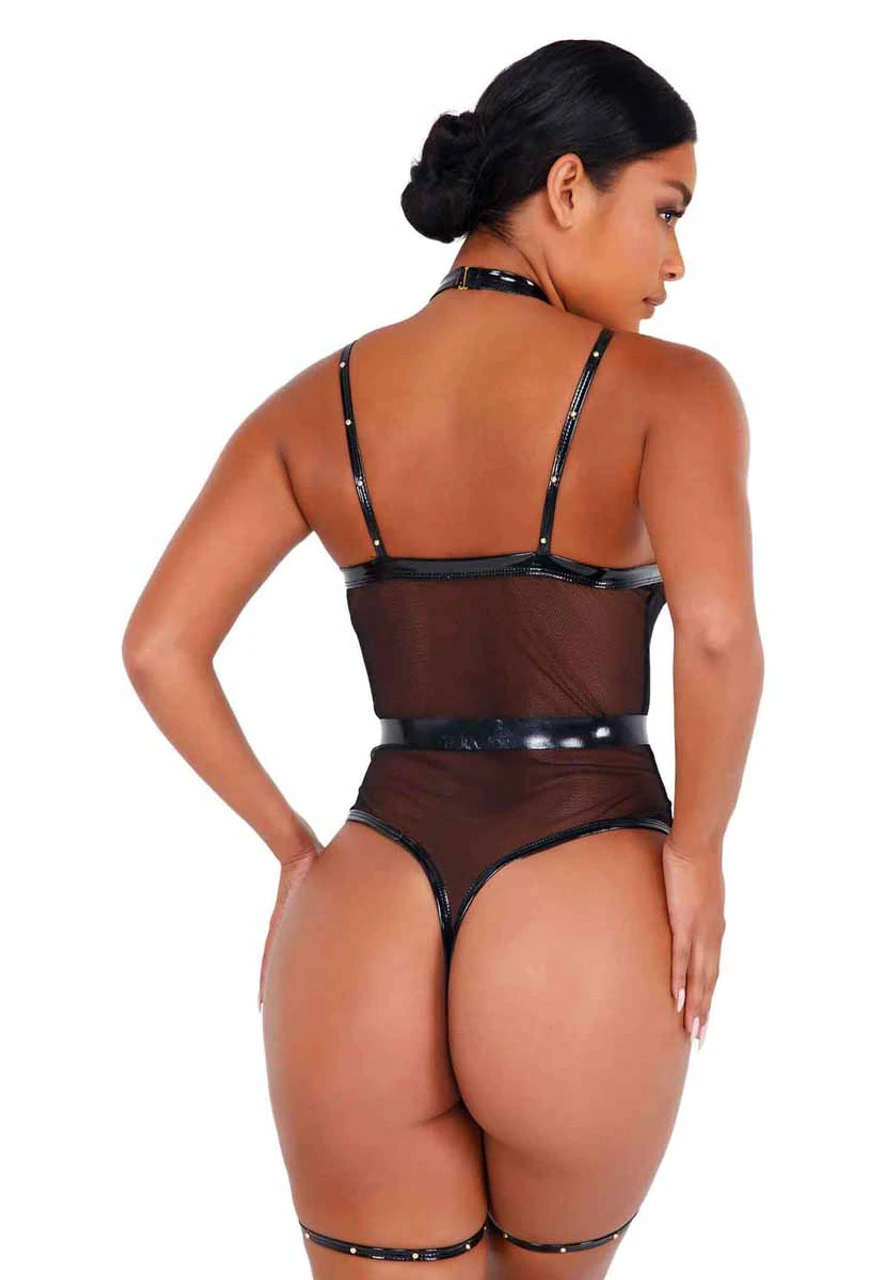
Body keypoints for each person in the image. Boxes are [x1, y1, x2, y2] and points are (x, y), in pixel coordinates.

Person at [123, 37, 763, 1278]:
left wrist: (293, 851)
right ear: (568, 188)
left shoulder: (312, 402)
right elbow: (718, 633)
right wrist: (698, 849)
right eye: (666, 210)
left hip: (364, 908)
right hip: (582, 894)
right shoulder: (673, 393)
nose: (676, 262)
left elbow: (158, 646)